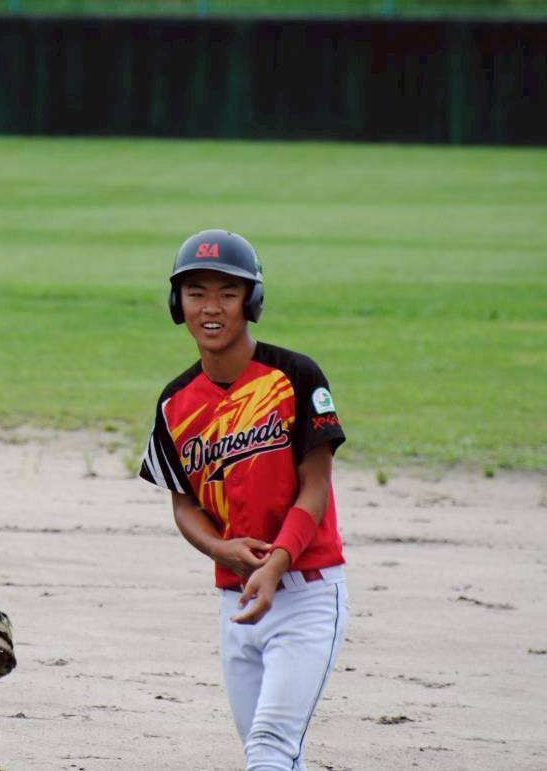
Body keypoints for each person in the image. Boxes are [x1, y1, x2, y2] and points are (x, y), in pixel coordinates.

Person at [138, 229, 350, 771]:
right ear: (177, 304)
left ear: (251, 302)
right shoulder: (175, 402)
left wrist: (277, 562)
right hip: (236, 603)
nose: (211, 308)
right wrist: (219, 549)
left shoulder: (294, 376)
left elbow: (316, 486)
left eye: (228, 293)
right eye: (196, 293)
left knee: (270, 747)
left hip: (307, 594)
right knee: (272, 753)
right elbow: (183, 503)